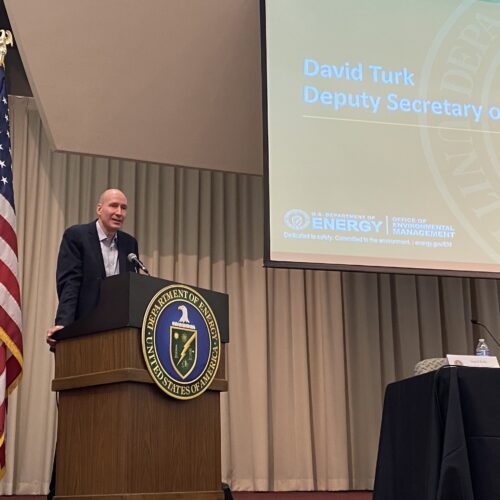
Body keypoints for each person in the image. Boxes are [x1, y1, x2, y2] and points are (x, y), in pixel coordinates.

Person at [46, 188, 139, 348]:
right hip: (83, 327)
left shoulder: (129, 243)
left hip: (119, 333)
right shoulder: (77, 236)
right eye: (114, 206)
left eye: (123, 208)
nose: (119, 212)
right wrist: (64, 324)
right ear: (99, 209)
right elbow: (70, 283)